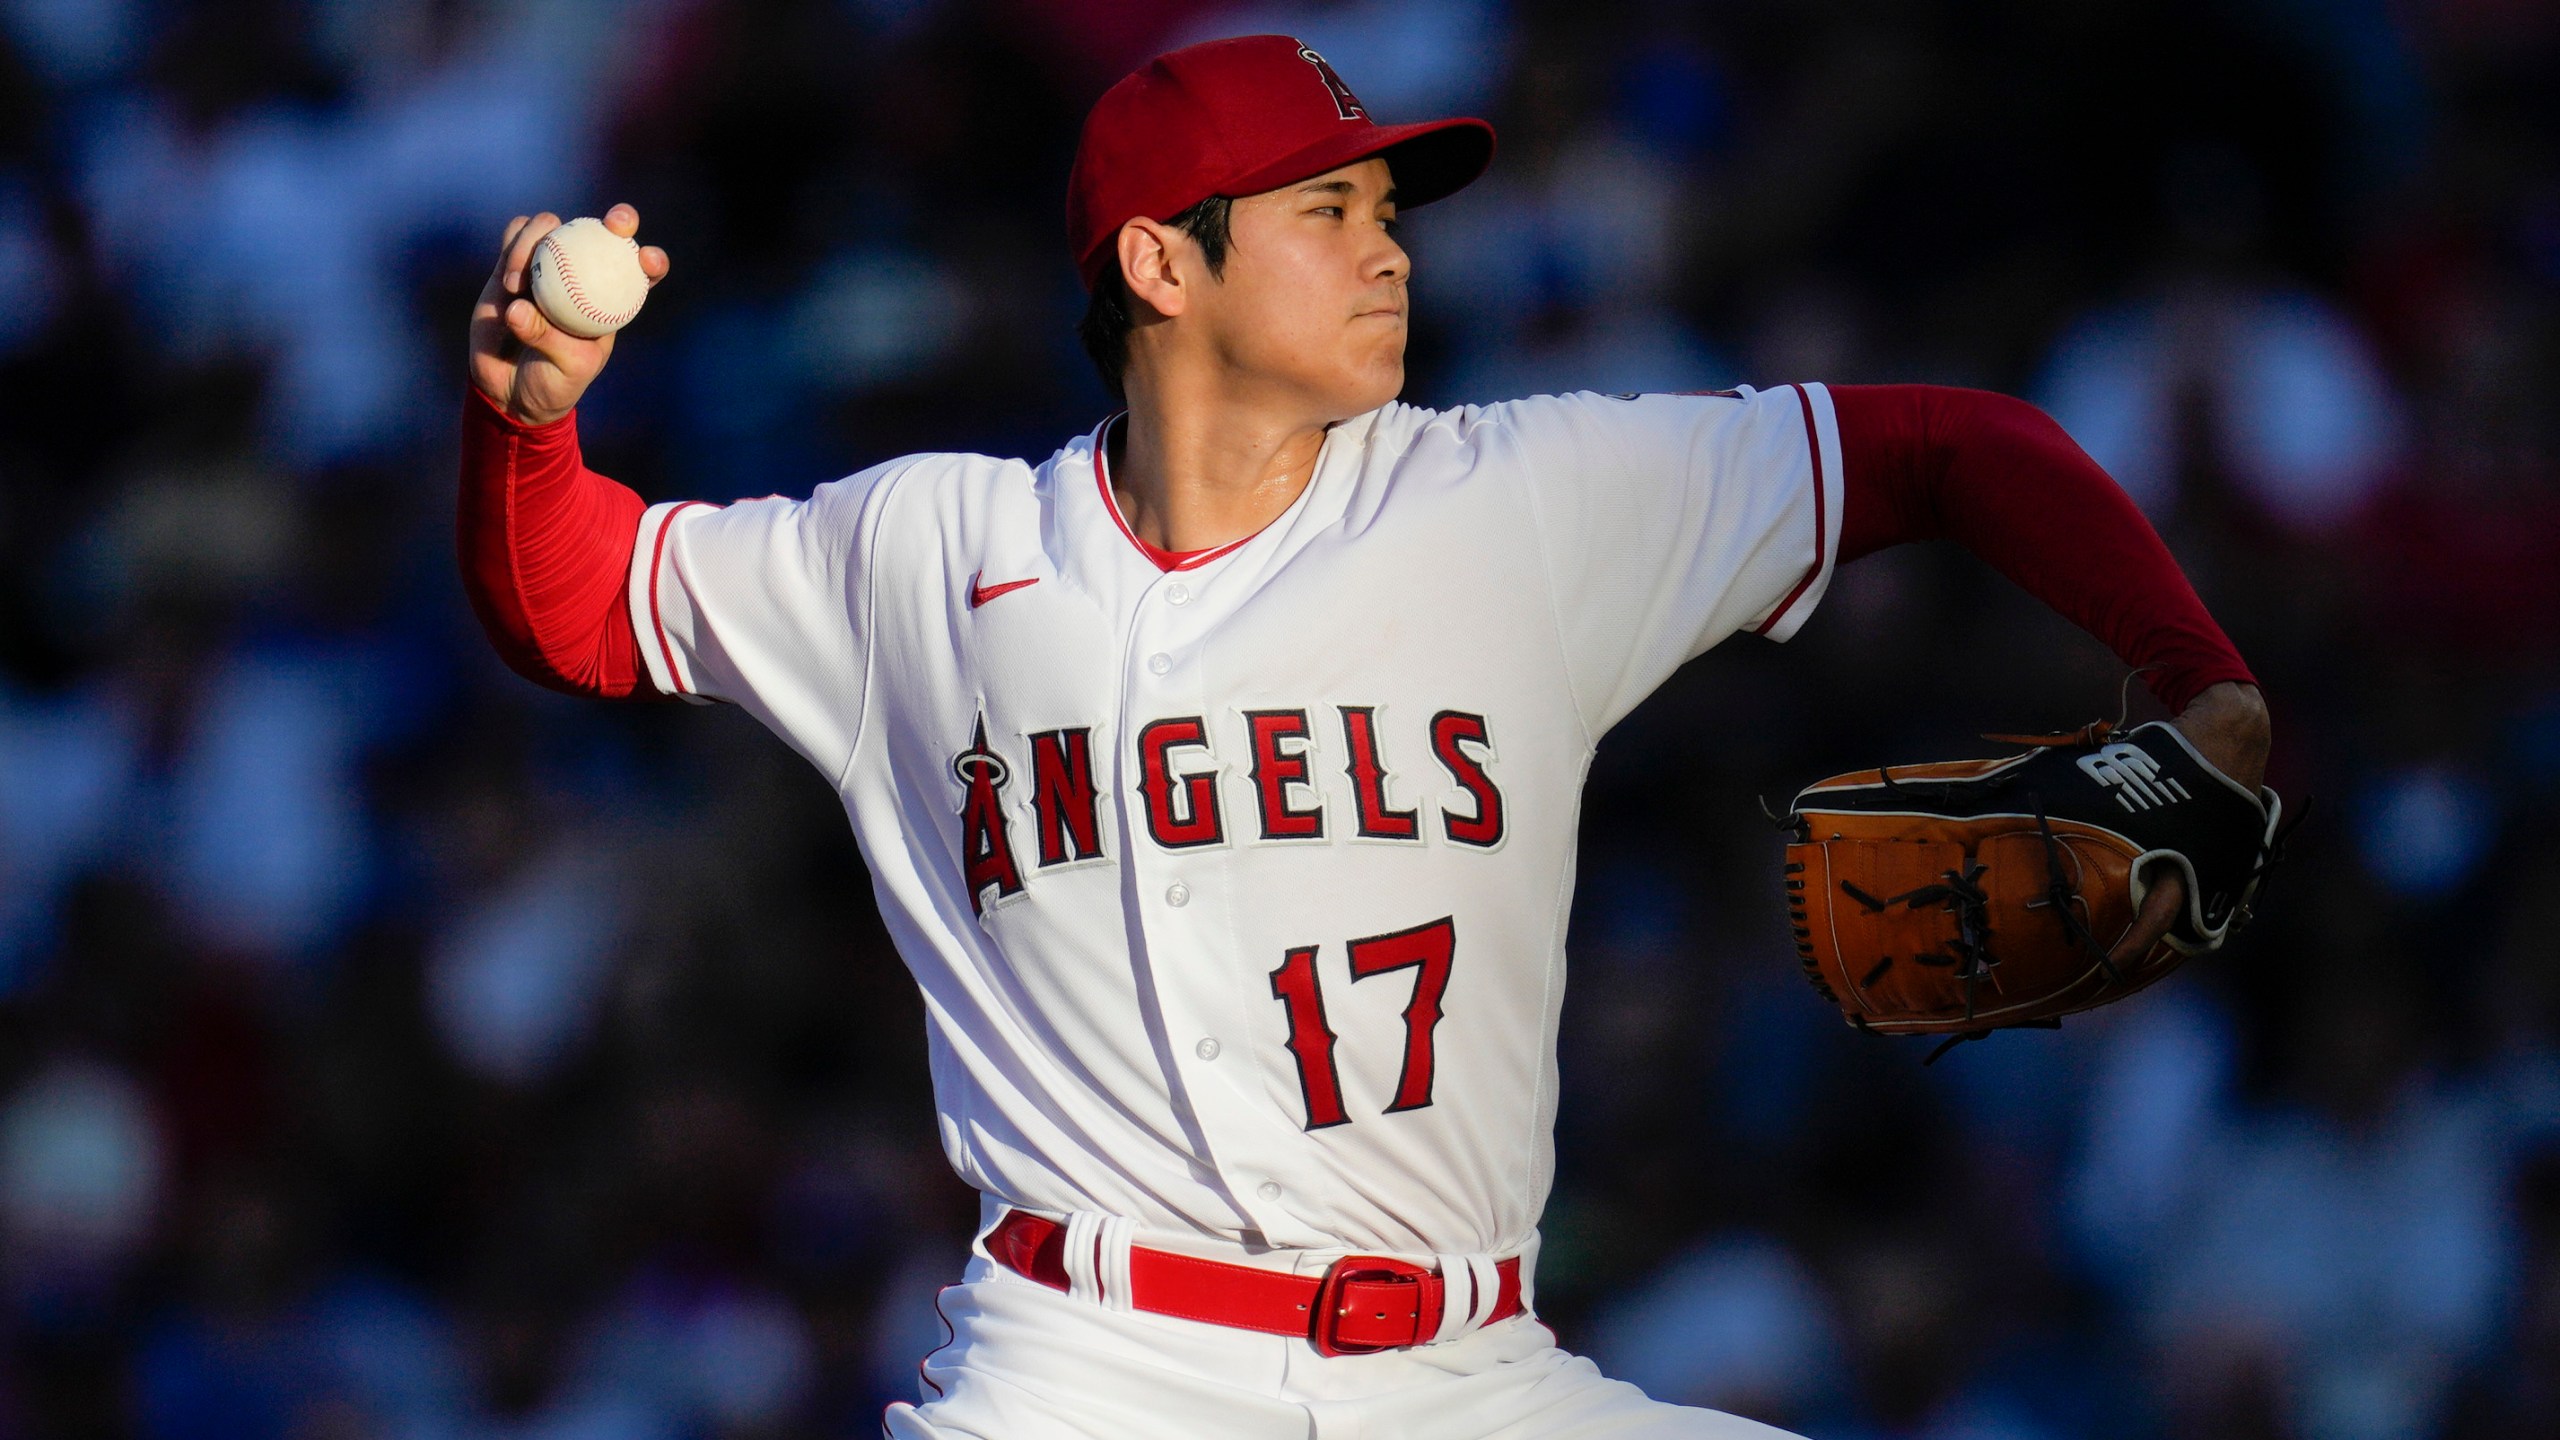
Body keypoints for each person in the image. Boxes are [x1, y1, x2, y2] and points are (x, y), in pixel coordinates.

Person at [458, 34, 2269, 1439]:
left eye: (1387, 213)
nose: (1386, 250)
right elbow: (578, 603)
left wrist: (2198, 678)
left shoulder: (1521, 503)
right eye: (1328, 213)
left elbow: (1944, 447)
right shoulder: (927, 552)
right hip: (1093, 1366)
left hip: (1471, 1370)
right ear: (1164, 264)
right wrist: (528, 427)